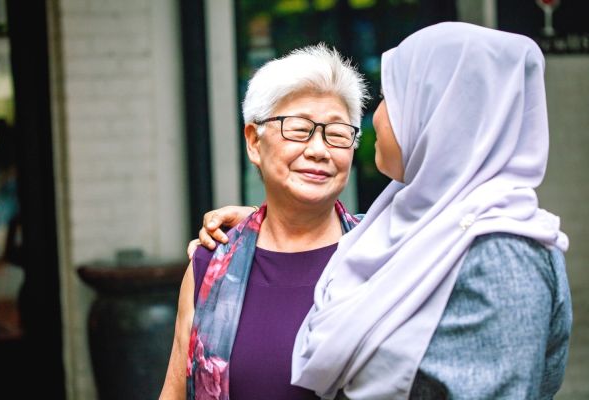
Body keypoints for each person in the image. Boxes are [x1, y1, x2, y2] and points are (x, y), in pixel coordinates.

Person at [190, 22, 572, 399]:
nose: (376, 116)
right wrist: (259, 226)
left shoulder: (499, 253)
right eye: (299, 129)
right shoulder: (402, 234)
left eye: (393, 98)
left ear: (439, 116)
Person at [159, 44, 368, 399]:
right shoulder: (211, 266)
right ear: (255, 141)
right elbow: (176, 392)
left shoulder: (381, 252)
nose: (319, 150)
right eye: (299, 129)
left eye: (336, 133)